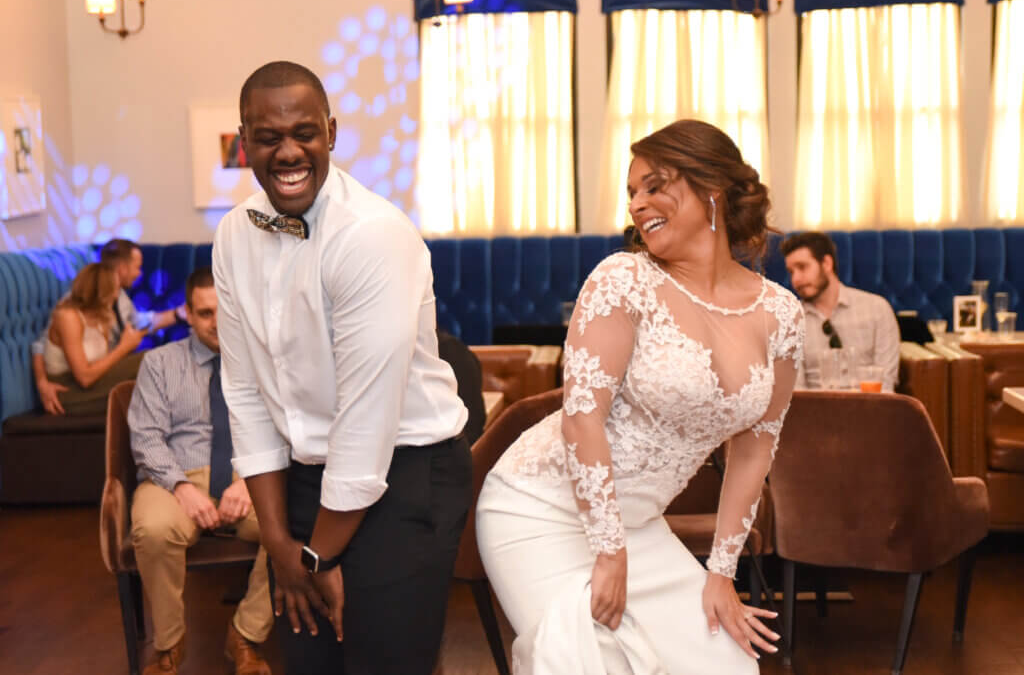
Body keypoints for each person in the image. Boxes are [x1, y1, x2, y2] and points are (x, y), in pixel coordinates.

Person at [476, 119, 805, 673]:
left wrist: (720, 574)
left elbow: (754, 448)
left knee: (725, 664)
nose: (638, 203)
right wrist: (608, 551)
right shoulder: (623, 280)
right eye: (632, 191)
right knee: (589, 657)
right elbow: (583, 420)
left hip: (638, 527)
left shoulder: (781, 314)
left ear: (711, 192)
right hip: (538, 508)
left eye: (655, 185)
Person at [212, 61, 471, 675]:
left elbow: (366, 422)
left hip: (405, 476)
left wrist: (315, 559)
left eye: (303, 132)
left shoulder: (372, 235)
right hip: (303, 482)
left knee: (382, 661)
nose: (288, 151)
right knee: (309, 662)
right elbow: (245, 392)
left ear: (331, 132)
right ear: (244, 141)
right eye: (268, 137)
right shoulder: (232, 235)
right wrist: (280, 546)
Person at [128, 267, 273, 675]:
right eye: (205, 313)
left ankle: (245, 635)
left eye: (223, 311)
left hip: (250, 476)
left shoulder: (264, 363)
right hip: (177, 474)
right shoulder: (158, 364)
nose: (216, 323)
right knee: (153, 529)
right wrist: (180, 487)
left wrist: (248, 479)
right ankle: (169, 648)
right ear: (188, 314)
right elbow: (147, 438)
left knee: (297, 528)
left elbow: (283, 430)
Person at [33, 238, 184, 415]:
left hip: (99, 377)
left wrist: (179, 314)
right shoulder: (71, 310)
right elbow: (40, 346)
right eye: (137, 267)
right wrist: (42, 383)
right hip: (69, 388)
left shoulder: (108, 308)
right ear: (120, 269)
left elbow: (139, 323)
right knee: (150, 360)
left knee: (157, 365)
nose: (139, 273)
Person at [780, 232, 900, 392]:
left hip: (870, 410)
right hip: (815, 413)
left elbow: (886, 382)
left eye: (802, 267)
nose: (796, 279)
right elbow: (796, 391)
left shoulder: (877, 309)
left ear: (827, 263)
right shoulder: (790, 321)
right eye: (791, 271)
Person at [40, 262, 146, 416]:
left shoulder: (102, 316)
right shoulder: (68, 316)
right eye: (115, 289)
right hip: (67, 392)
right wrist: (123, 348)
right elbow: (84, 378)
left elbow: (102, 365)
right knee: (148, 359)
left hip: (95, 384)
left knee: (154, 363)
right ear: (102, 292)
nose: (117, 295)